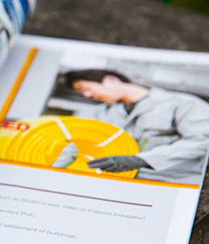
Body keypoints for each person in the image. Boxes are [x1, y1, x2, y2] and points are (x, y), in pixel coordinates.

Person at [62, 68, 209, 184]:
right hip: (123, 183)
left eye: (84, 88)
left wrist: (142, 160)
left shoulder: (182, 103)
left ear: (111, 80)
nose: (87, 95)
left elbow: (202, 141)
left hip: (174, 183)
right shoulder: (102, 113)